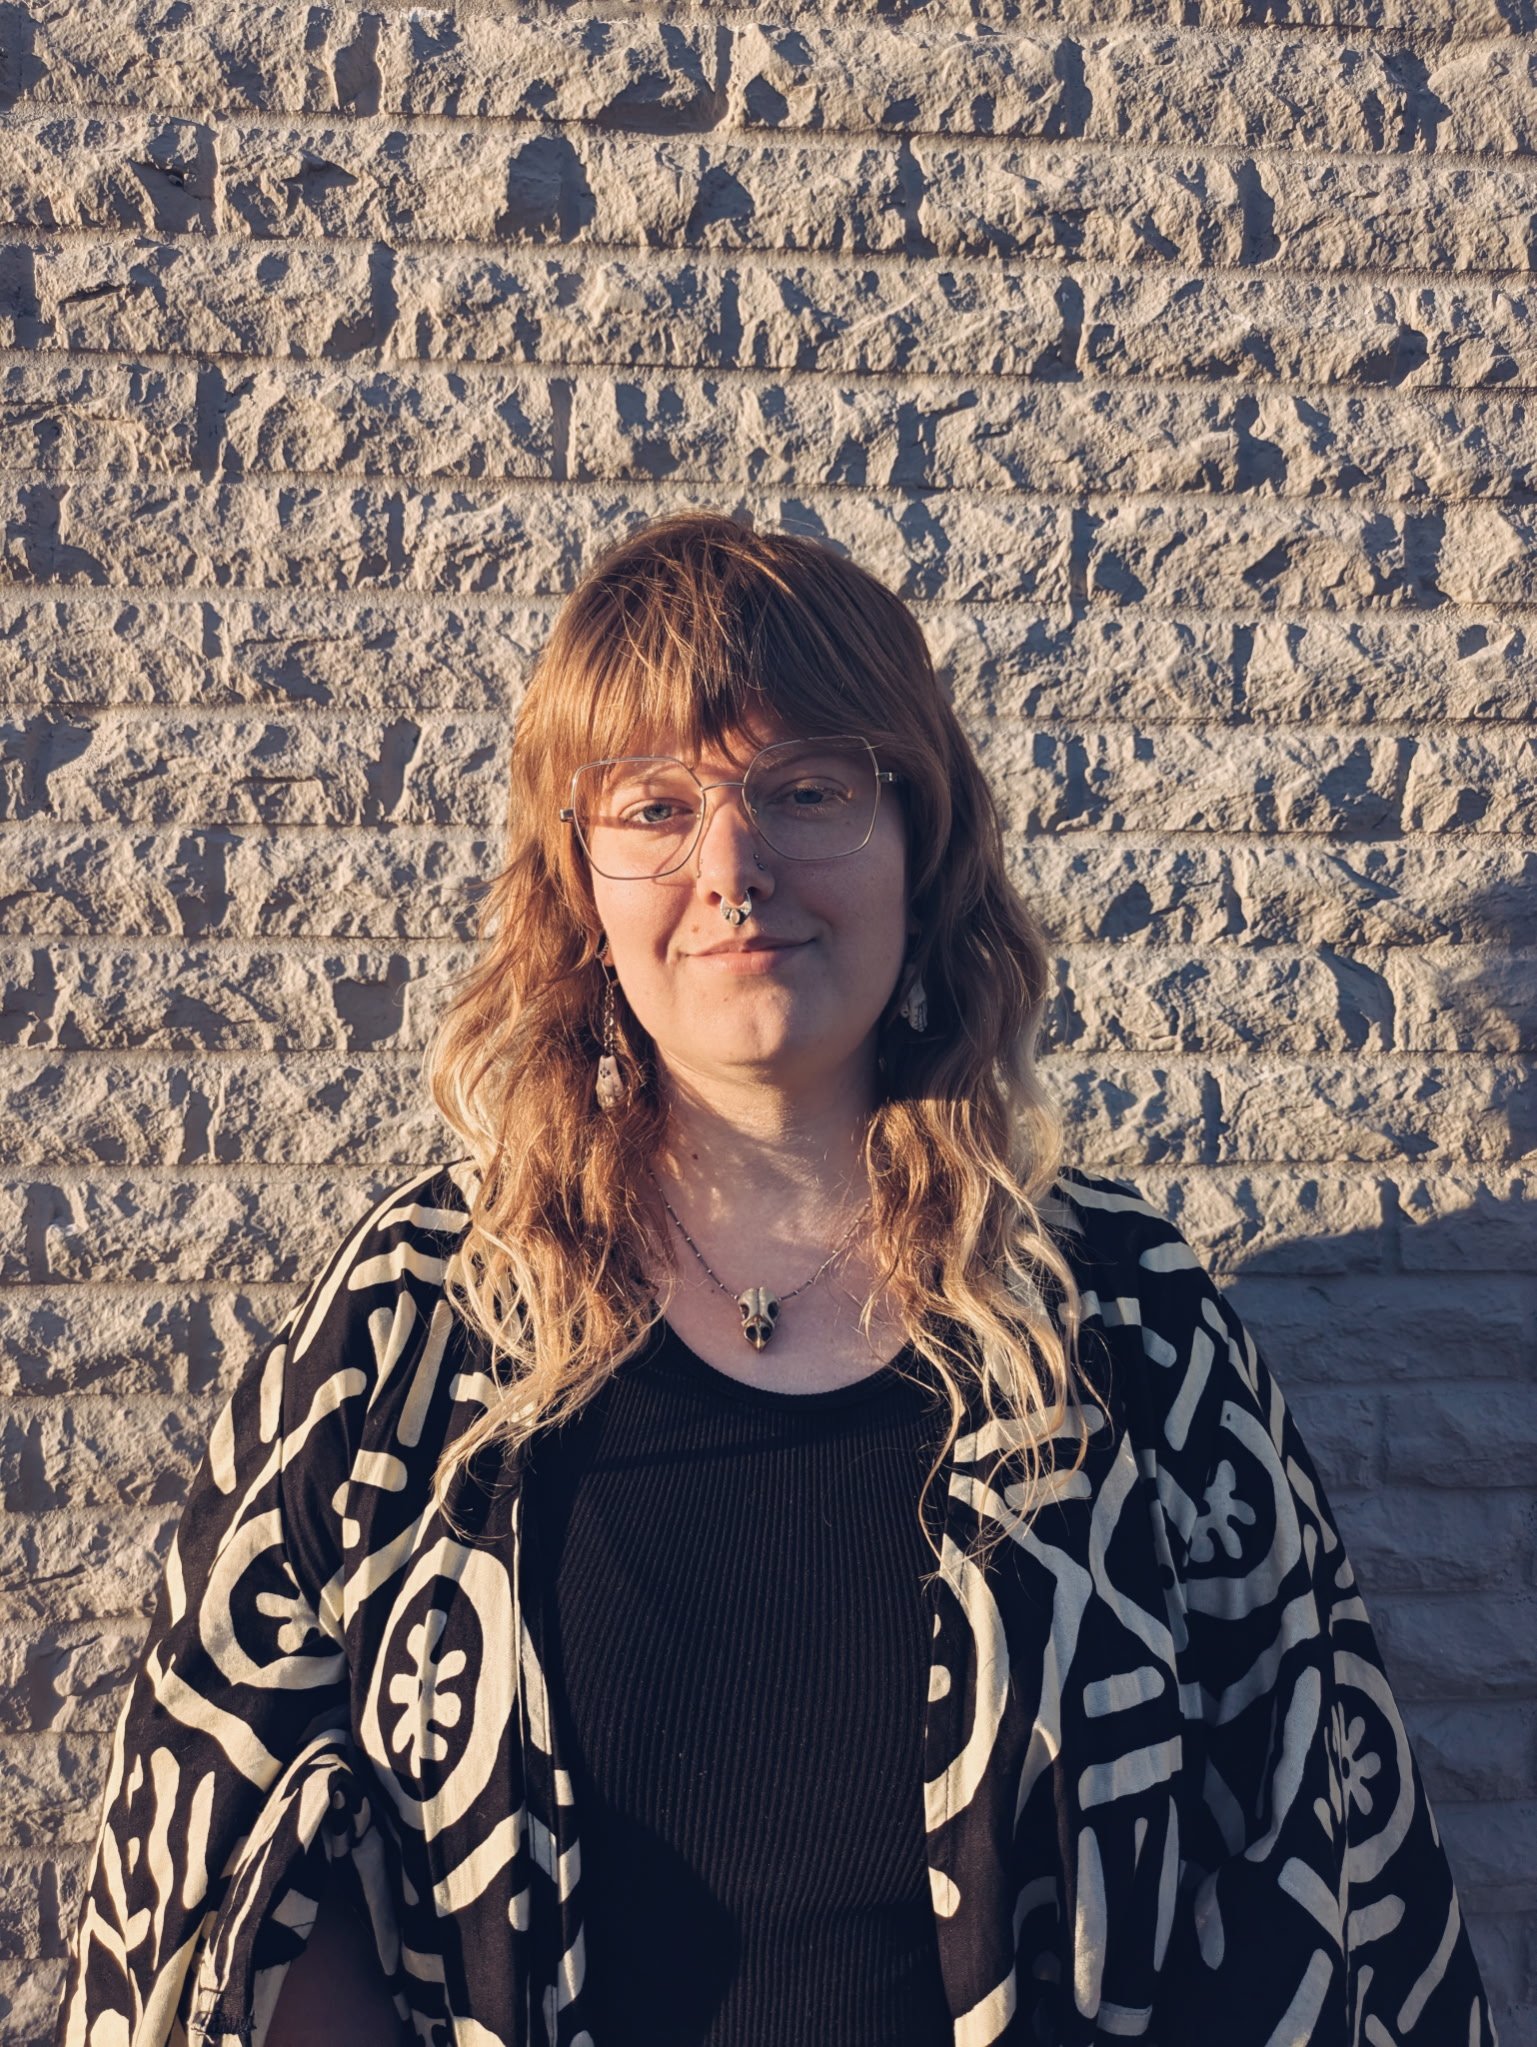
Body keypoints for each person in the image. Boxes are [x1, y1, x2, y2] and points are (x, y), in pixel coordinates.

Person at [57, 512, 1495, 2047]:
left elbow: (1322, 1858)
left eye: (805, 790)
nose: (731, 871)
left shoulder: (1117, 1313)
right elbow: (213, 1863)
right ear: (580, 884)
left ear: (916, 839)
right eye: (655, 806)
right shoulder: (418, 1316)